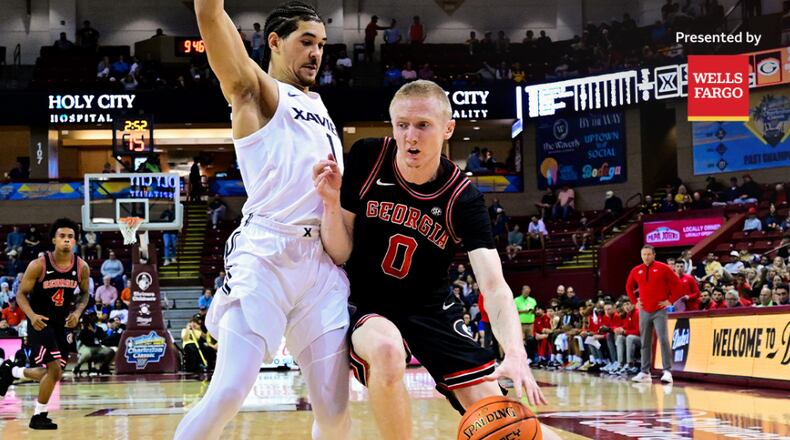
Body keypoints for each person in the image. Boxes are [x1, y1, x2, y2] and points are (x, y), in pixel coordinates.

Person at [312, 80, 558, 440]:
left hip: (430, 307)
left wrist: (515, 353)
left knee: (507, 424)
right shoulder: (368, 156)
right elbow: (340, 252)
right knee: (385, 349)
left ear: (448, 128)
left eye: (423, 125)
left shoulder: (464, 198)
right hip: (365, 300)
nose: (411, 135)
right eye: (402, 125)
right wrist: (331, 206)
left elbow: (493, 285)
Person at [175, 2, 352, 439]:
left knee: (335, 411)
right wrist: (208, 8)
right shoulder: (259, 91)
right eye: (306, 42)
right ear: (274, 42)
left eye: (322, 45)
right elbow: (211, 17)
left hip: (320, 264)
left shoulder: (322, 107)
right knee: (229, 392)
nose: (316, 53)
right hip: (266, 256)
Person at [0, 218, 90, 430]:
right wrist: (31, 316)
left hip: (63, 323)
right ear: (54, 239)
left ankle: (12, 371)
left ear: (75, 241)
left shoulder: (81, 267)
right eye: (62, 236)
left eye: (70, 237)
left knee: (56, 373)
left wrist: (77, 311)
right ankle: (38, 416)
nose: (66, 240)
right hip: (39, 322)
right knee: (52, 369)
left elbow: (85, 294)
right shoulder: (39, 265)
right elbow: (20, 294)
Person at [625, 245, 684, 384]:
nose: (646, 257)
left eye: (649, 254)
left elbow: (679, 286)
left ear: (654, 255)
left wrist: (670, 301)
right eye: (644, 254)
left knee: (663, 339)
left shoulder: (663, 268)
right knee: (645, 341)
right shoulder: (636, 270)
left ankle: (667, 371)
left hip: (659, 310)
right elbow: (628, 286)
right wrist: (634, 302)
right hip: (644, 311)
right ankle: (645, 372)